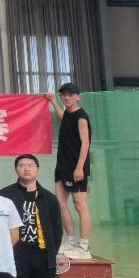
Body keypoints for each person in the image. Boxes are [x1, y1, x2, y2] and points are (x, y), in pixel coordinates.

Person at [0, 155, 64, 278]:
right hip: (16, 256)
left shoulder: (49, 198)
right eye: (22, 165)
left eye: (31, 165)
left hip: (43, 258)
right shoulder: (5, 195)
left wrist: (51, 254)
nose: (26, 168)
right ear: (16, 169)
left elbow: (57, 230)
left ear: (38, 169)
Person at [45, 83, 93, 259]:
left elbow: (86, 143)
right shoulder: (68, 114)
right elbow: (63, 118)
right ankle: (71, 241)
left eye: (70, 94)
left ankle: (84, 246)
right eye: (63, 94)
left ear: (78, 97)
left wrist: (79, 167)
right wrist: (52, 102)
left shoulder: (81, 117)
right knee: (60, 203)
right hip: (62, 166)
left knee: (79, 204)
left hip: (76, 167)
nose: (66, 97)